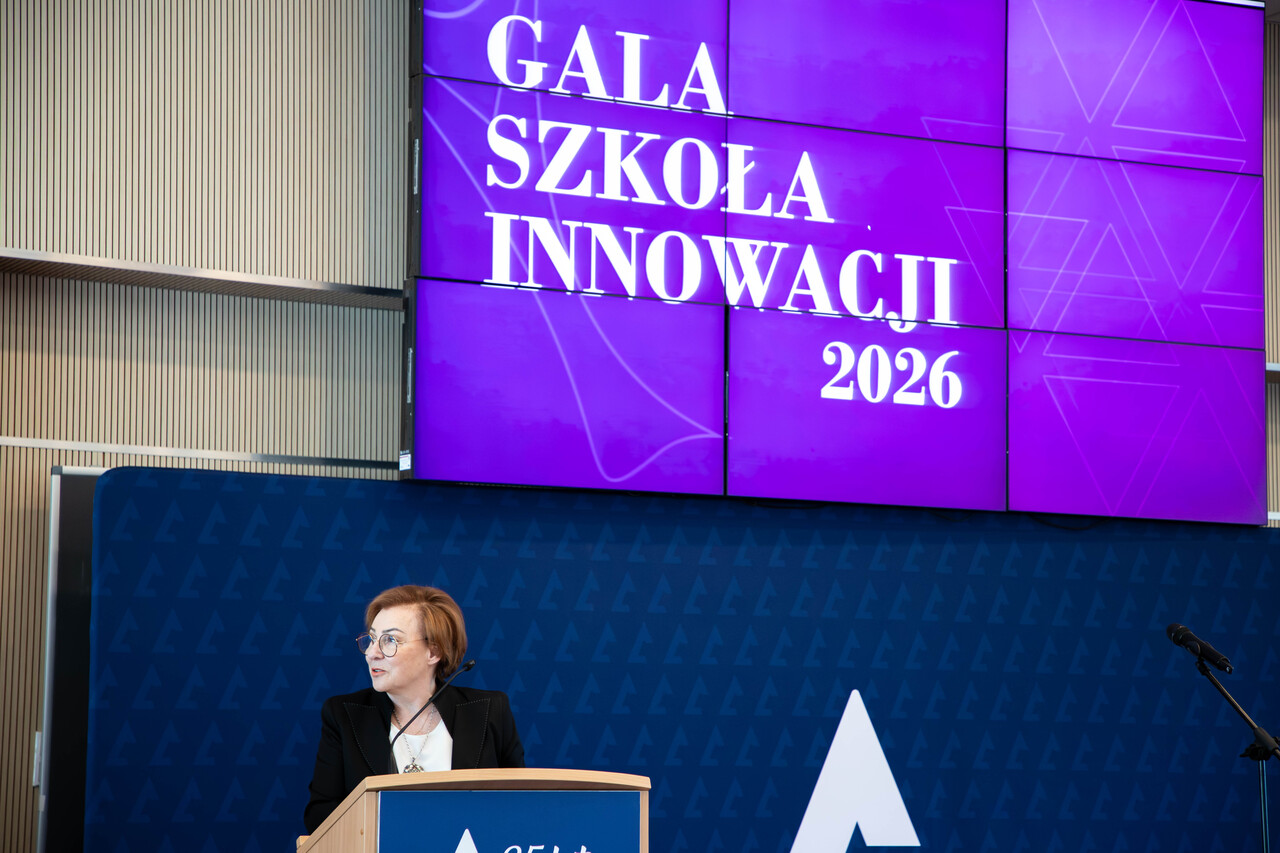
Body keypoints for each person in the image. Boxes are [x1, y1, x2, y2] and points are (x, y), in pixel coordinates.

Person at [303, 585, 524, 833]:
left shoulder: (488, 711)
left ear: (434, 652)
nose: (371, 653)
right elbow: (321, 818)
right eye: (372, 639)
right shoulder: (344, 715)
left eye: (390, 640)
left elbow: (520, 805)